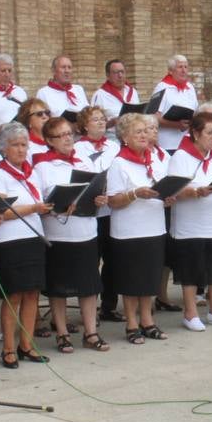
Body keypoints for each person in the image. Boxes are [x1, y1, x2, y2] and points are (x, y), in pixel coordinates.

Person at [34, 116, 108, 352]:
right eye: (61, 135)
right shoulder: (42, 166)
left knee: (89, 285)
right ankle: (62, 332)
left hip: (86, 230)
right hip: (59, 234)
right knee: (59, 287)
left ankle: (91, 332)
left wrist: (99, 198)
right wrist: (58, 204)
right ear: (49, 140)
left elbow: (96, 187)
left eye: (69, 134)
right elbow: (40, 203)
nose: (68, 139)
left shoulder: (83, 160)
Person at [0, 121, 54, 367]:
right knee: (13, 294)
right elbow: (1, 211)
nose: (21, 149)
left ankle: (27, 344)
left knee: (32, 293)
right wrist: (34, 208)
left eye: (24, 144)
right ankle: (8, 348)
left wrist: (46, 207)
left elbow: (38, 200)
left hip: (33, 235)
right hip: (10, 239)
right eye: (15, 145)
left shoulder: (31, 171)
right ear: (4, 148)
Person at [106, 113, 172, 343]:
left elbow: (162, 189)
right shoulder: (118, 163)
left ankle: (147, 320)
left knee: (149, 277)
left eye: (146, 131)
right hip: (129, 230)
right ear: (125, 137)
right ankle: (131, 323)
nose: (144, 135)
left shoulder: (153, 158)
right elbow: (112, 201)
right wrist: (135, 193)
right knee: (132, 279)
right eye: (138, 132)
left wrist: (167, 198)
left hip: (154, 227)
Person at [169, 113, 212, 331]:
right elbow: (174, 190)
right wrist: (196, 192)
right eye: (209, 133)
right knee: (191, 270)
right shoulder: (181, 157)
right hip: (190, 225)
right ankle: (190, 313)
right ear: (196, 134)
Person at [72, 106, 122, 321]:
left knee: (113, 261)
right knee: (91, 263)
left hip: (111, 210)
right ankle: (88, 311)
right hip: (90, 211)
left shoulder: (114, 146)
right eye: (95, 119)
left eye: (103, 119)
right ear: (84, 125)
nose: (101, 122)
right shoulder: (77, 148)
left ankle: (109, 306)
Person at [152, 54, 199, 152]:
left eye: (186, 67)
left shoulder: (190, 88)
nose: (184, 70)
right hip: (167, 144)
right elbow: (153, 117)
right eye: (180, 67)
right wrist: (176, 125)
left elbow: (195, 112)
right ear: (170, 71)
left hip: (187, 143)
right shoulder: (162, 87)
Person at [91, 58, 141, 136]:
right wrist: (111, 123)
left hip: (133, 134)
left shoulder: (133, 91)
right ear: (108, 75)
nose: (120, 75)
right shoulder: (100, 95)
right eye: (116, 73)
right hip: (112, 136)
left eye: (122, 72)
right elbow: (92, 124)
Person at [37, 55, 89, 120]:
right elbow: (41, 118)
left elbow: (88, 112)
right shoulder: (43, 92)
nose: (67, 71)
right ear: (53, 70)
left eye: (69, 67)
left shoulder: (78, 89)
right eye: (63, 67)